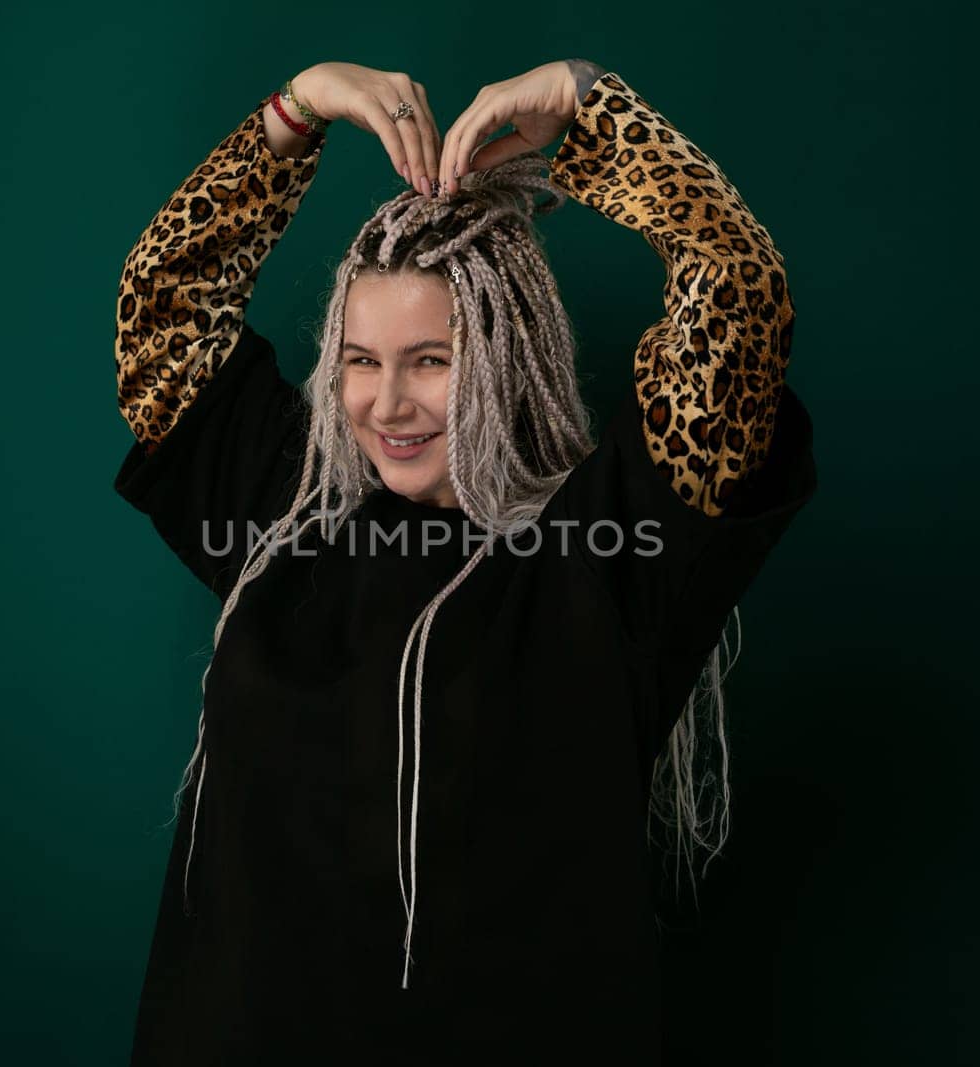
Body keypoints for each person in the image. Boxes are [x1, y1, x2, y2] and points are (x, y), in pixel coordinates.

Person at [112, 58, 817, 1064]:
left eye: (430, 360)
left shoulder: (607, 551)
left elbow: (736, 299)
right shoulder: (287, 514)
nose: (384, 404)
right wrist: (293, 112)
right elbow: (164, 310)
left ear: (508, 354)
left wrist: (588, 105)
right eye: (359, 359)